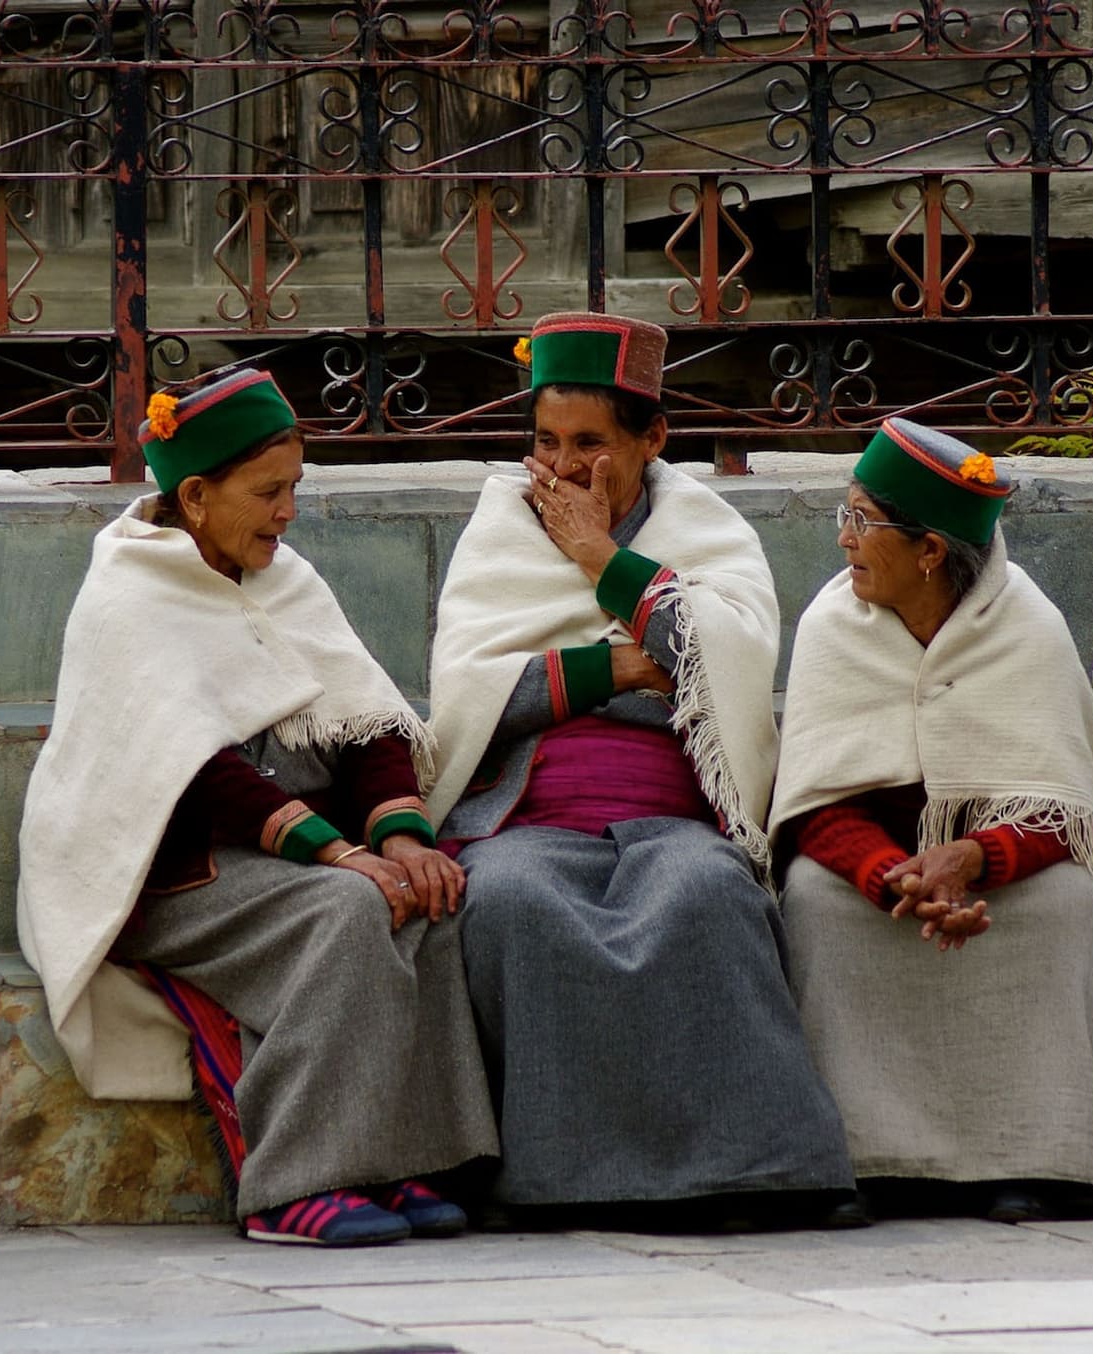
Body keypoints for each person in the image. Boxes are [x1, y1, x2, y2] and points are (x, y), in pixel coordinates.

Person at [17, 369, 498, 1247]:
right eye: (268, 493)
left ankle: (407, 1160)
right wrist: (339, 854)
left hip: (293, 858)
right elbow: (198, 770)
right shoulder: (130, 593)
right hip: (173, 875)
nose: (288, 513)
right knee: (349, 910)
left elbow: (367, 717)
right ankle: (293, 1186)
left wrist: (401, 836)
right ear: (197, 496)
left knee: (427, 897)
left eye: (294, 489)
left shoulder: (285, 579)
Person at [426, 312, 856, 1227]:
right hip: (526, 819)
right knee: (512, 903)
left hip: (675, 815)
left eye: (591, 444)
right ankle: (553, 1181)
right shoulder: (500, 528)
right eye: (547, 442)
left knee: (706, 894)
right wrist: (617, 667)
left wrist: (599, 557)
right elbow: (471, 691)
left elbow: (718, 664)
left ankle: (755, 1171)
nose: (564, 467)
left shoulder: (709, 530)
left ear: (652, 438)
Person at [771, 419, 1093, 1224]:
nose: (843, 539)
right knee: (816, 900)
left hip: (999, 866)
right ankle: (872, 1161)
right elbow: (816, 805)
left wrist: (974, 857)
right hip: (879, 871)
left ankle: (1041, 1159)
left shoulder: (1027, 625)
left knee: (1066, 903)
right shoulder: (833, 623)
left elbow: (1067, 809)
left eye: (862, 521)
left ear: (930, 550)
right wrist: (890, 876)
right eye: (845, 515)